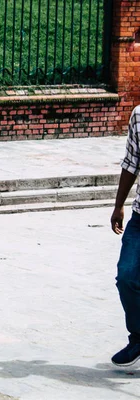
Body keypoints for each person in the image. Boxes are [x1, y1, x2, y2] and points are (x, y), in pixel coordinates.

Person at [110, 105, 140, 367]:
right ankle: (139, 337)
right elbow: (131, 162)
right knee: (127, 277)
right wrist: (119, 204)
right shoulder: (139, 115)